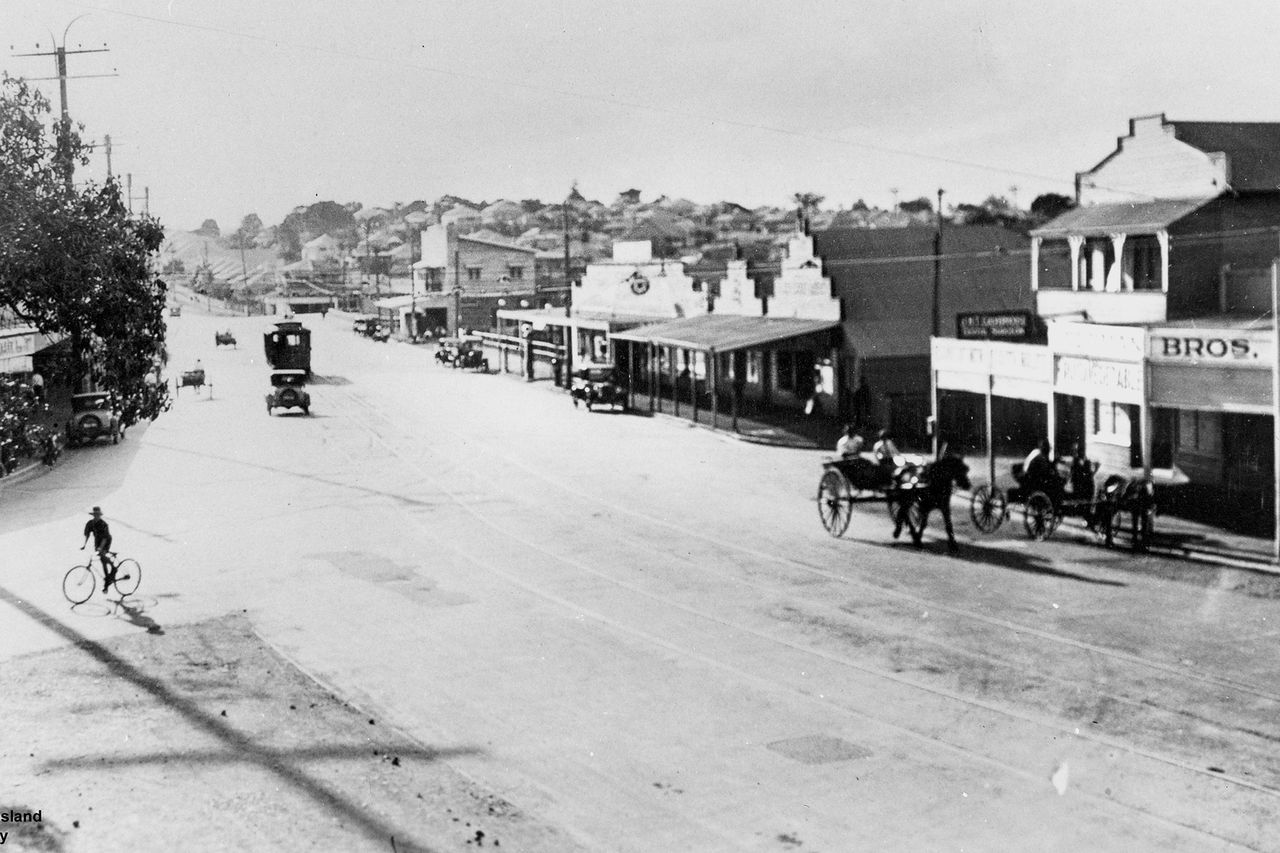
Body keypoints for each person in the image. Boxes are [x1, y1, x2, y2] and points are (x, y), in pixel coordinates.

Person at [81, 506, 117, 593]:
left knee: (102, 557)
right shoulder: (90, 523)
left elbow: (105, 538)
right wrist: (84, 545)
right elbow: (87, 534)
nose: (96, 516)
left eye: (98, 514)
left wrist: (101, 548)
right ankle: (108, 579)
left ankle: (113, 569)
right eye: (95, 514)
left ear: (99, 515)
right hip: (97, 542)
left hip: (106, 541)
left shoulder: (103, 524)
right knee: (102, 560)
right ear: (93, 515)